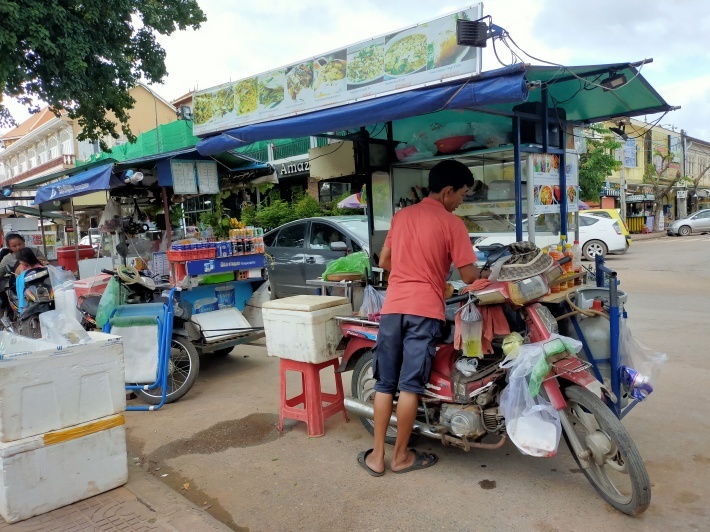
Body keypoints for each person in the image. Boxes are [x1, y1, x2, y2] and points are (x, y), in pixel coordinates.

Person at [358, 159, 485, 477]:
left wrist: (410, 270)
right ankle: (400, 457)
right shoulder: (452, 224)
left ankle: (376, 456)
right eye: (462, 195)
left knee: (385, 383)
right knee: (411, 386)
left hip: (392, 309)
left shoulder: (402, 216)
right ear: (447, 191)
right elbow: (469, 275)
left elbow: (385, 260)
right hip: (424, 312)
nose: (460, 202)